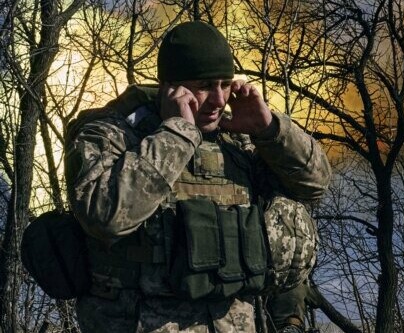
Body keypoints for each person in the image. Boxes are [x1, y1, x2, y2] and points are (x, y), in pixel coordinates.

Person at [64, 21, 331, 332]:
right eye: (204, 85)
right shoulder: (114, 135)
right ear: (169, 87)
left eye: (225, 83)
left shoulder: (236, 141)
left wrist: (269, 129)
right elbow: (104, 214)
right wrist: (177, 135)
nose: (219, 100)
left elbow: (315, 185)